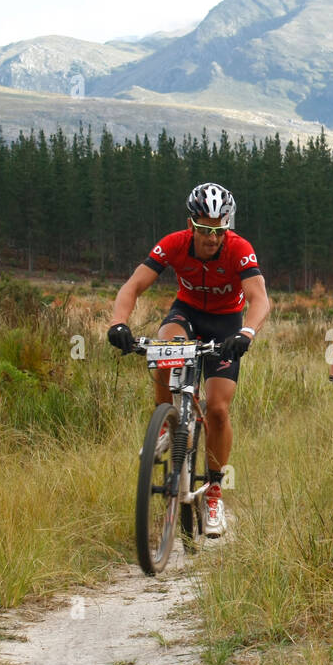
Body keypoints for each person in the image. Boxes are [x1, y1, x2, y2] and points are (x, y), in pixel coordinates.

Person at [106, 182, 270, 538]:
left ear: (227, 227)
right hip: (187, 313)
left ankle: (213, 492)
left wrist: (247, 333)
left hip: (226, 324)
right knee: (165, 349)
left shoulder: (239, 250)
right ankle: (165, 423)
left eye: (218, 230)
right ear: (190, 225)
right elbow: (132, 286)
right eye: (203, 230)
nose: (211, 238)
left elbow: (260, 300)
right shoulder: (174, 244)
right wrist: (118, 322)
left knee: (218, 409)